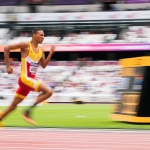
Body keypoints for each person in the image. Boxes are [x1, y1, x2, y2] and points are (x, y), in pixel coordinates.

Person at [0, 28, 55, 126]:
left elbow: (43, 65)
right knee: (49, 91)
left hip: (30, 81)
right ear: (34, 35)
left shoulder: (41, 49)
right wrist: (8, 65)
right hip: (24, 79)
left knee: (13, 106)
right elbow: (7, 47)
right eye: (41, 35)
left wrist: (50, 53)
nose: (43, 37)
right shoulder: (26, 45)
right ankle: (28, 112)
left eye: (43, 35)